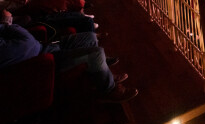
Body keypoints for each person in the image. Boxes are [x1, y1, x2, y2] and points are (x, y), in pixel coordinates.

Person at [0, 23, 137, 102]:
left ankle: (102, 72)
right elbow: (15, 31)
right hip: (46, 61)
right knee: (96, 53)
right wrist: (7, 23)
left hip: (45, 46)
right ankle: (109, 90)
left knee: (90, 37)